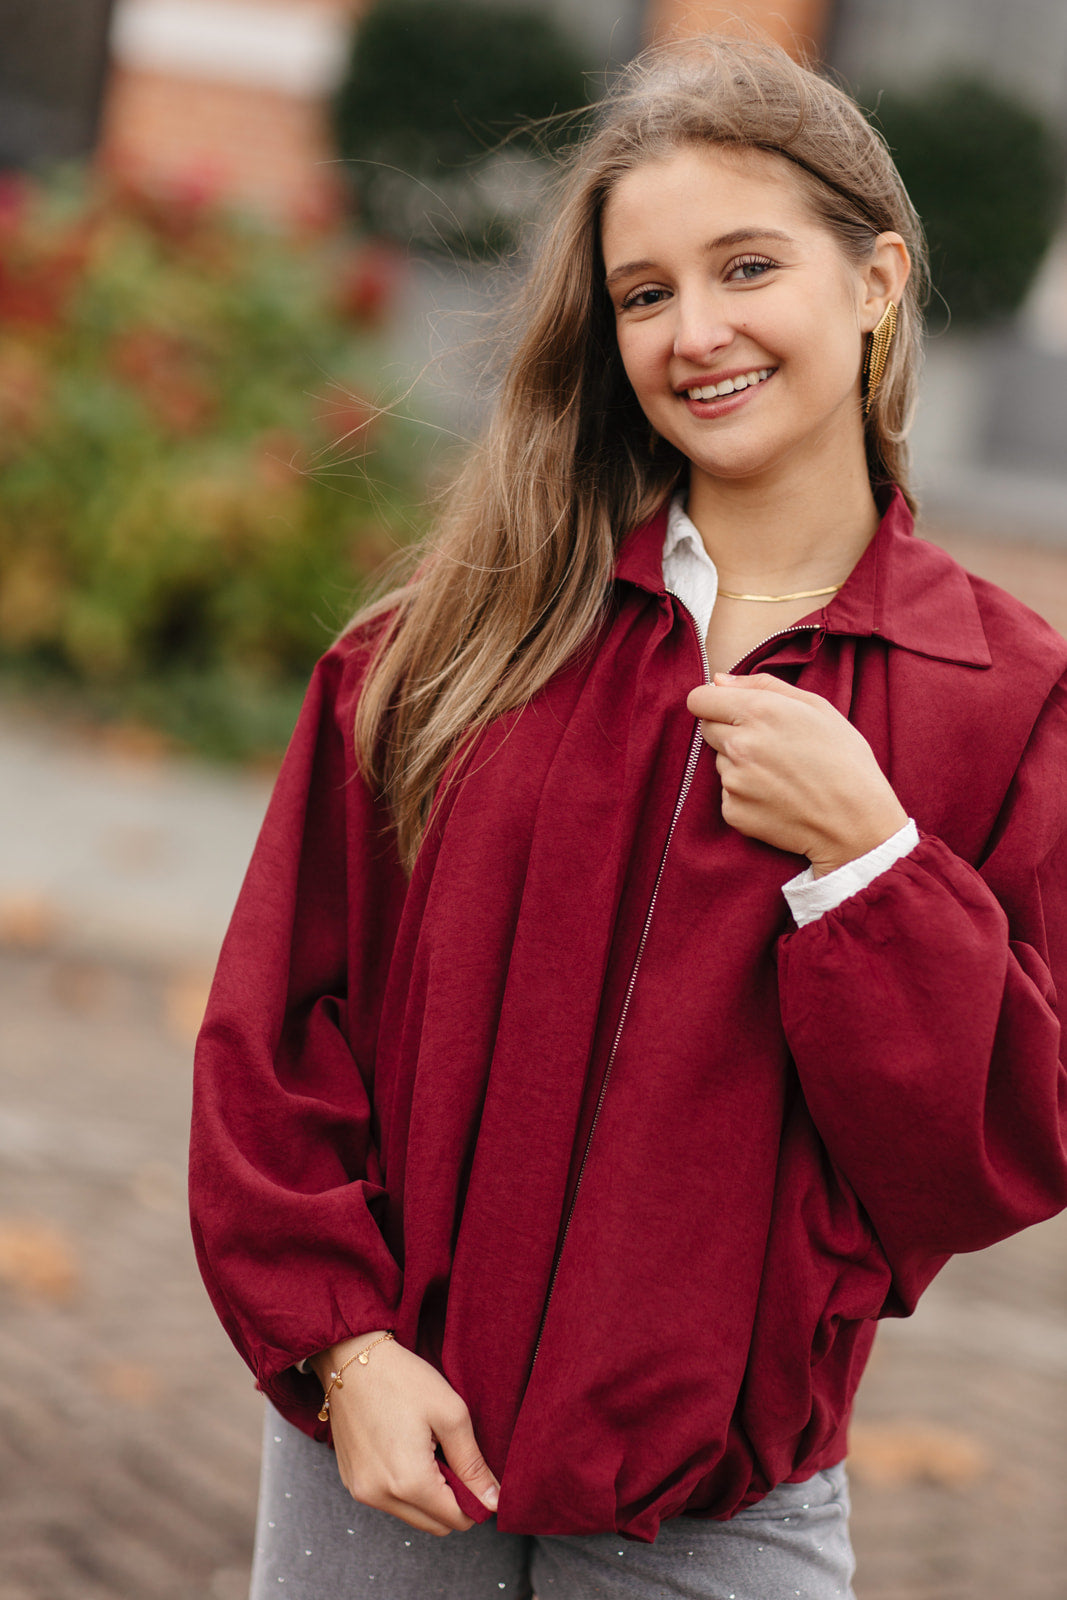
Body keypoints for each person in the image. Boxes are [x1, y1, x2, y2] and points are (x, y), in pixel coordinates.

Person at [189, 33, 1067, 1600]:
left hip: (718, 1521)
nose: (697, 332)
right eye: (647, 293)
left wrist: (871, 864)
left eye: (746, 267)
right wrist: (343, 1350)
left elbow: (1002, 1149)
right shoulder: (447, 646)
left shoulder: (1003, 696)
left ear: (874, 280)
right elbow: (277, 1027)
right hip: (380, 1469)